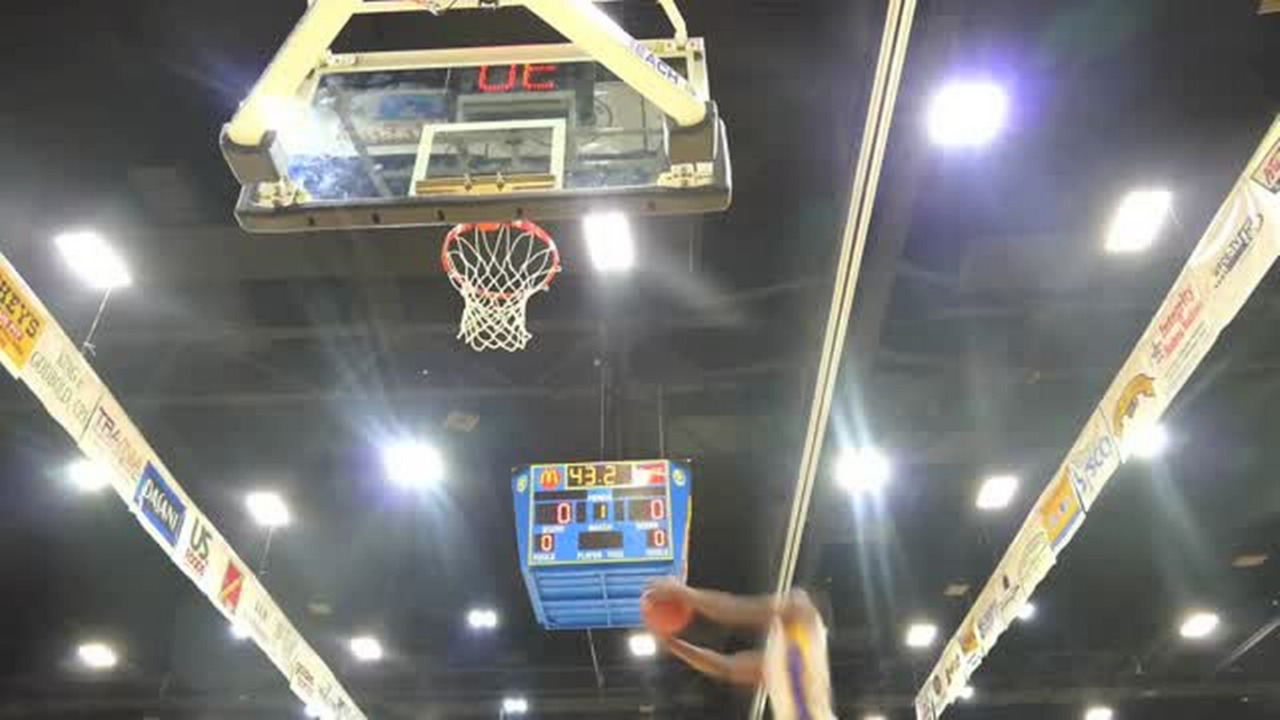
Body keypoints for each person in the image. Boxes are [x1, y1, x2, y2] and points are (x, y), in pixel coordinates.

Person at [644, 578, 836, 720]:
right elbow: (726, 668)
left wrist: (683, 593)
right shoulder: (786, 655)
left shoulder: (800, 607)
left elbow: (735, 609)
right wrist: (672, 644)